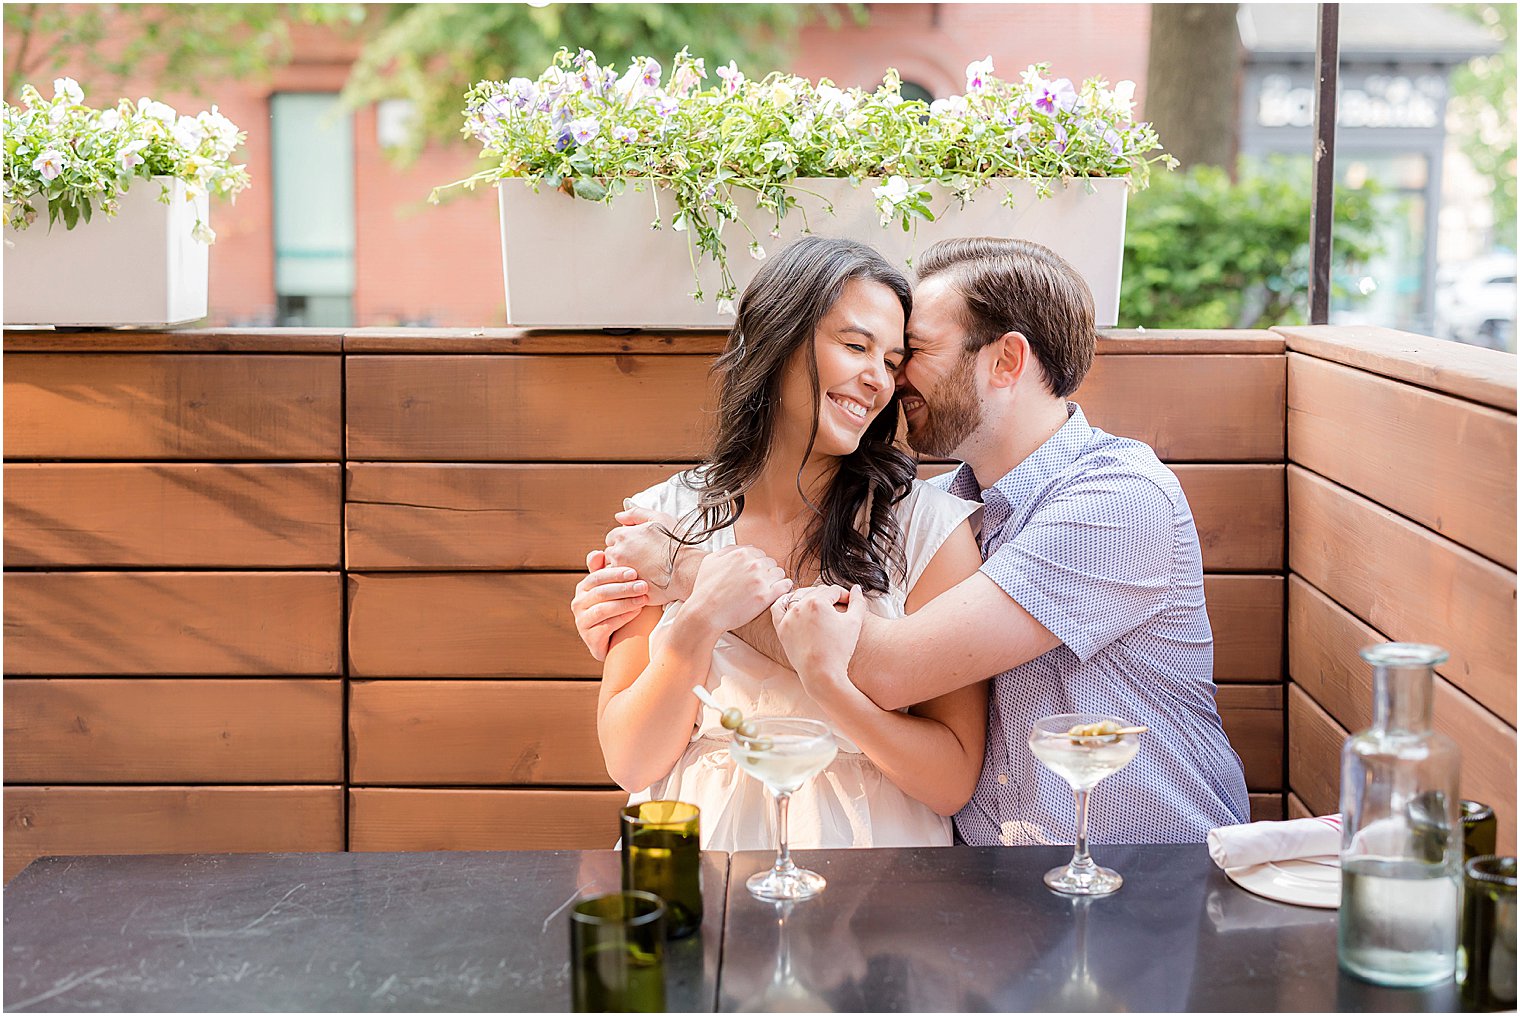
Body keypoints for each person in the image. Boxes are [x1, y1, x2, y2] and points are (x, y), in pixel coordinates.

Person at [575, 236, 1251, 847]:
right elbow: (629, 754)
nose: (889, 380)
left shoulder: (1110, 503)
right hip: (994, 886)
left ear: (1007, 360)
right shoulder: (965, 502)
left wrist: (690, 578)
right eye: (860, 346)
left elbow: (892, 669)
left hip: (1144, 873)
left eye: (910, 354)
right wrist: (679, 620)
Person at [592, 235, 988, 852]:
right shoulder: (664, 519)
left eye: (891, 362)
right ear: (779, 339)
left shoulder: (927, 526)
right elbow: (630, 762)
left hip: (872, 855)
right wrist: (699, 620)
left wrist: (832, 686)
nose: (875, 379)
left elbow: (951, 780)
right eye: (855, 346)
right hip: (702, 846)